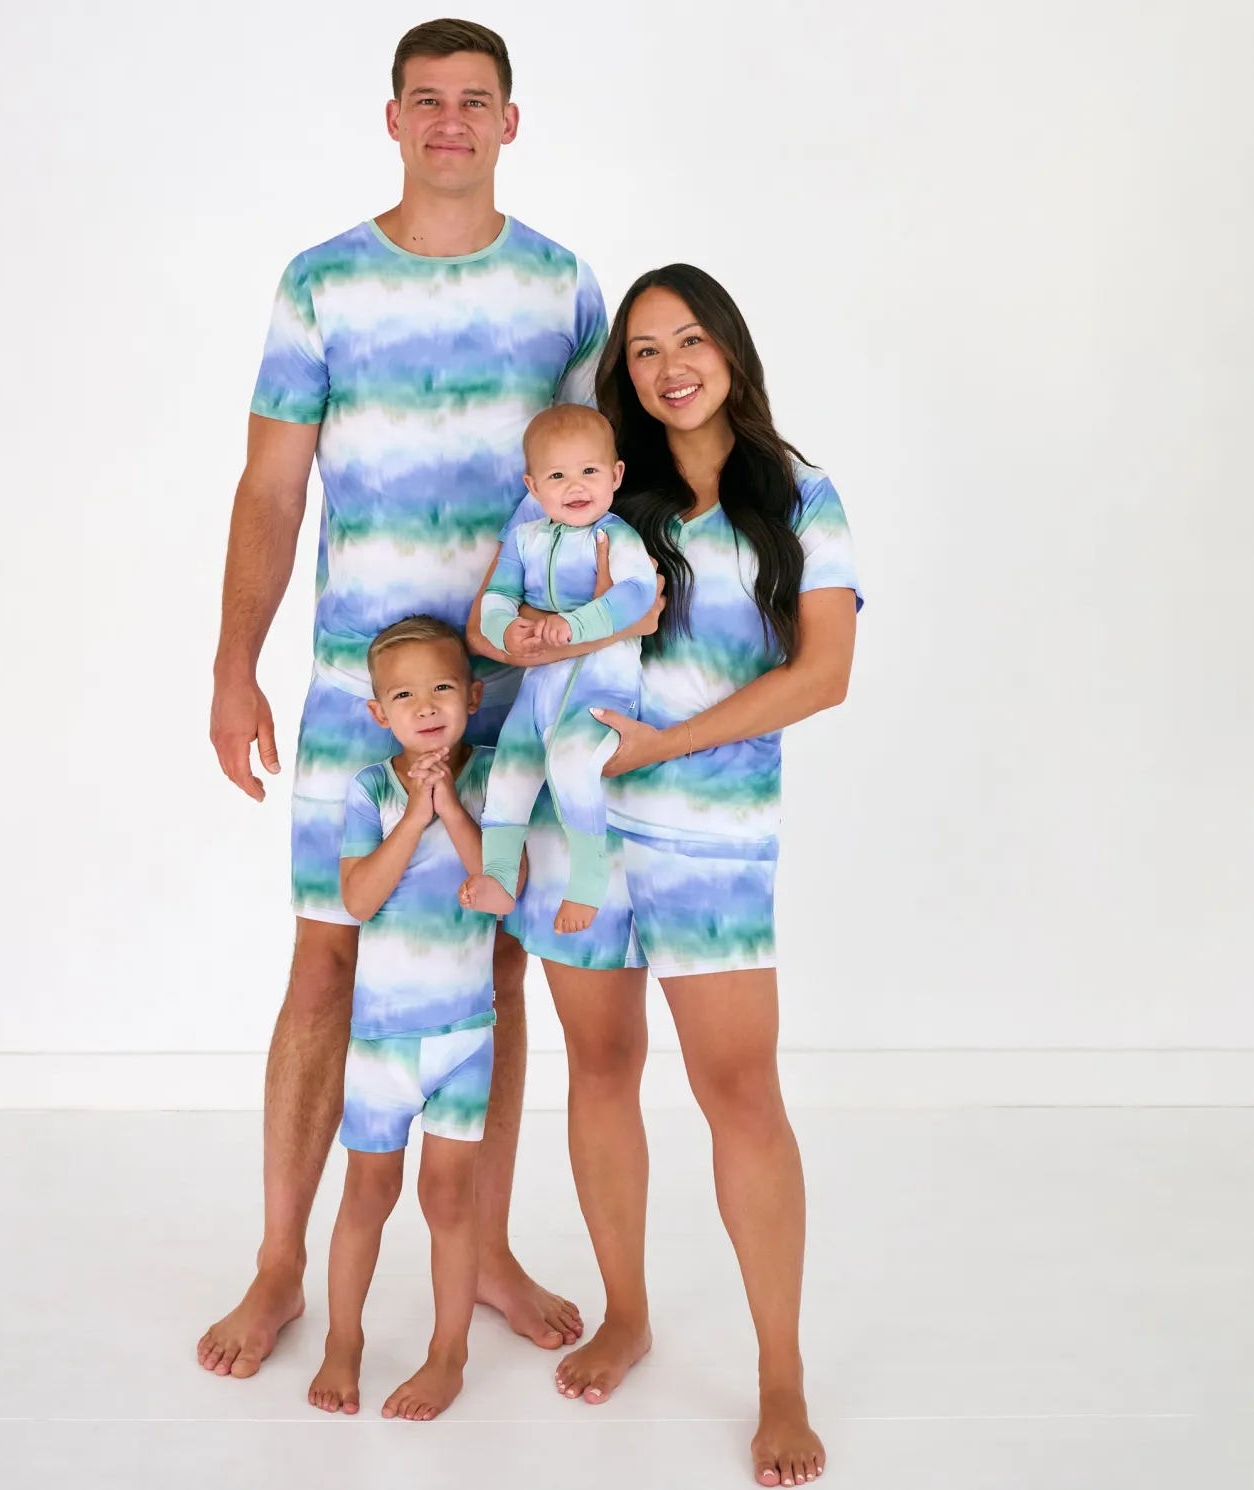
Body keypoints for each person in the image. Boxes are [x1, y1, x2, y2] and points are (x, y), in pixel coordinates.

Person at [199, 17, 655, 1377]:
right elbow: (270, 485)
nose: (449, 119)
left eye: (473, 99)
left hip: (519, 689)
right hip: (361, 679)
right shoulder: (321, 283)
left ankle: (485, 1246)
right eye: (425, 98)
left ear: (509, 122)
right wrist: (232, 662)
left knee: (488, 961)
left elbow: (599, 483)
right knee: (324, 956)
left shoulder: (563, 288)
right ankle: (280, 1262)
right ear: (391, 118)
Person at [469, 264, 862, 1487]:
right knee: (599, 1065)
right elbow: (501, 611)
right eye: (642, 350)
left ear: (728, 349)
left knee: (738, 1090)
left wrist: (663, 744)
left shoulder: (797, 494)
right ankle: (626, 1311)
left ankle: (780, 1373)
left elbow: (822, 673)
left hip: (710, 837)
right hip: (577, 831)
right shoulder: (594, 488)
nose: (667, 366)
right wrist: (515, 633)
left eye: (687, 339)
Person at [307, 618, 499, 1421]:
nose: (426, 706)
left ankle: (449, 1353)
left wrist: (449, 806)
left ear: (473, 697)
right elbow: (357, 899)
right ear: (379, 712)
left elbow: (502, 884)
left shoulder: (492, 777)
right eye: (405, 695)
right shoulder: (371, 790)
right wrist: (414, 816)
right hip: (383, 1044)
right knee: (367, 1192)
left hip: (465, 1038)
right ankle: (342, 1340)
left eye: (443, 688)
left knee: (451, 1201)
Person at [462, 404, 656, 934]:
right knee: (508, 771)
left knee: (572, 765)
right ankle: (500, 876)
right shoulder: (525, 539)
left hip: (601, 687)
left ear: (615, 475)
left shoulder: (617, 537)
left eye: (590, 470)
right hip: (538, 689)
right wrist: (507, 629)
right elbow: (497, 596)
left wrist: (575, 624)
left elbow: (637, 594)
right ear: (533, 486)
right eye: (556, 476)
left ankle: (588, 882)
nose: (575, 486)